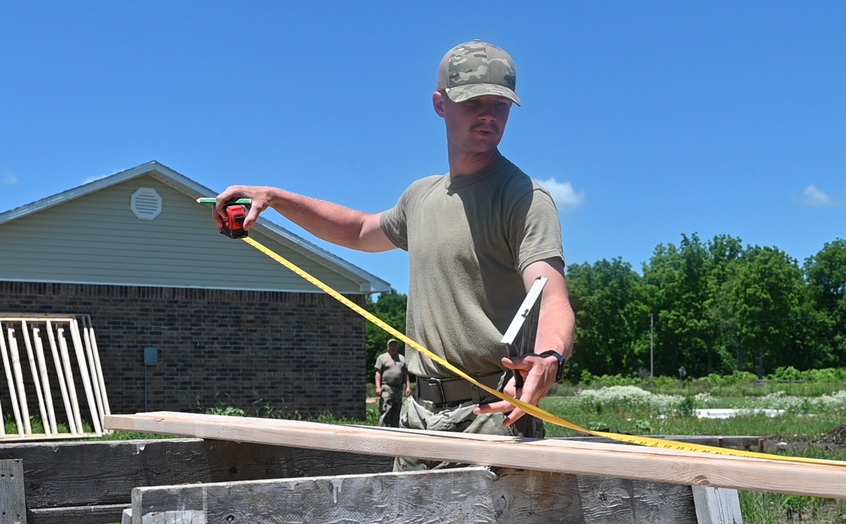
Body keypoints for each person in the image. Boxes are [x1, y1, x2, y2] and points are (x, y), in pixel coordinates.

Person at [214, 39, 575, 470]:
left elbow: (552, 297)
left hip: (493, 417)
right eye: (473, 101)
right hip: (417, 418)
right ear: (440, 104)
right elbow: (360, 230)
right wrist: (273, 198)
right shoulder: (420, 197)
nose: (488, 114)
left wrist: (550, 357)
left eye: (500, 103)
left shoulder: (524, 198)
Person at [374, 338, 412, 427]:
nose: (393, 347)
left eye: (395, 345)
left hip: (398, 388)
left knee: (397, 409)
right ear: (388, 347)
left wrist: (408, 386)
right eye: (391, 345)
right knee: (386, 409)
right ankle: (383, 429)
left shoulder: (402, 358)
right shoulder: (382, 358)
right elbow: (378, 373)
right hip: (386, 387)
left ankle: (395, 429)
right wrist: (378, 386)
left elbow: (405, 374)